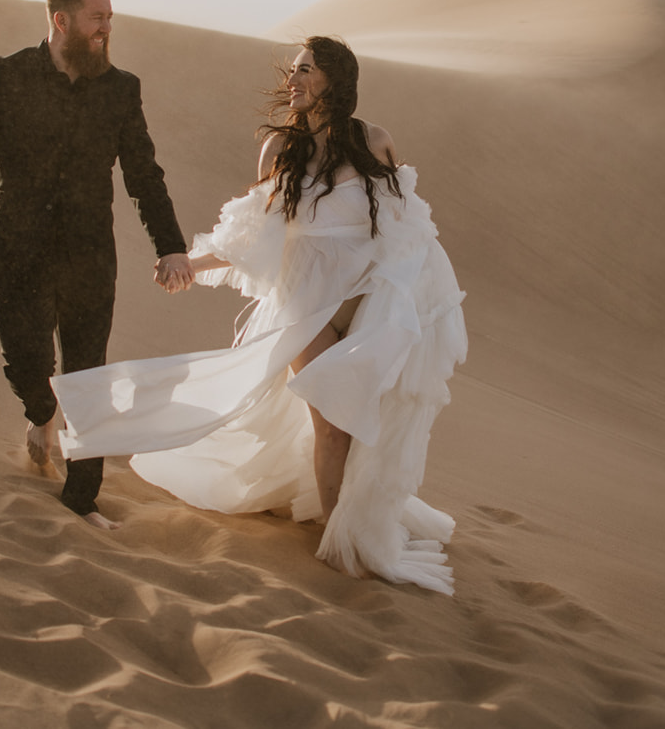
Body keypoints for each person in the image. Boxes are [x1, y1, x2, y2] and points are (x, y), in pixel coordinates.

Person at [54, 36, 467, 593]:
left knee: (358, 417)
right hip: (306, 301)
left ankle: (350, 513)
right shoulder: (279, 149)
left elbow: (404, 223)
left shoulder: (374, 140)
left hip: (367, 296)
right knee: (329, 414)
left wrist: (414, 296)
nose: (293, 80)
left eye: (306, 70)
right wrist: (190, 264)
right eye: (292, 70)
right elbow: (252, 233)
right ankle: (338, 539)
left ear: (335, 80)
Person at [0, 0, 193, 530]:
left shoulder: (120, 89)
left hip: (88, 256)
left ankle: (82, 500)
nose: (107, 28)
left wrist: (170, 246)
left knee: (88, 378)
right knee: (28, 367)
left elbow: (144, 174)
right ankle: (40, 414)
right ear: (62, 20)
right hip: (15, 250)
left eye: (109, 18)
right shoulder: (5, 76)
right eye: (97, 18)